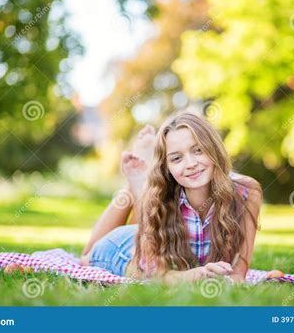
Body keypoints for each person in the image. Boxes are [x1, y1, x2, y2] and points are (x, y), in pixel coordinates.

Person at [81, 112, 262, 284]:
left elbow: (239, 273)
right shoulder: (160, 197)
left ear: (213, 148)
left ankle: (140, 187)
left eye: (198, 150)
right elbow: (155, 275)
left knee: (147, 208)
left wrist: (234, 278)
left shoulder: (247, 191)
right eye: (176, 158)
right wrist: (196, 274)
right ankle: (134, 186)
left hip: (145, 236)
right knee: (85, 258)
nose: (191, 164)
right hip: (123, 250)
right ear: (166, 167)